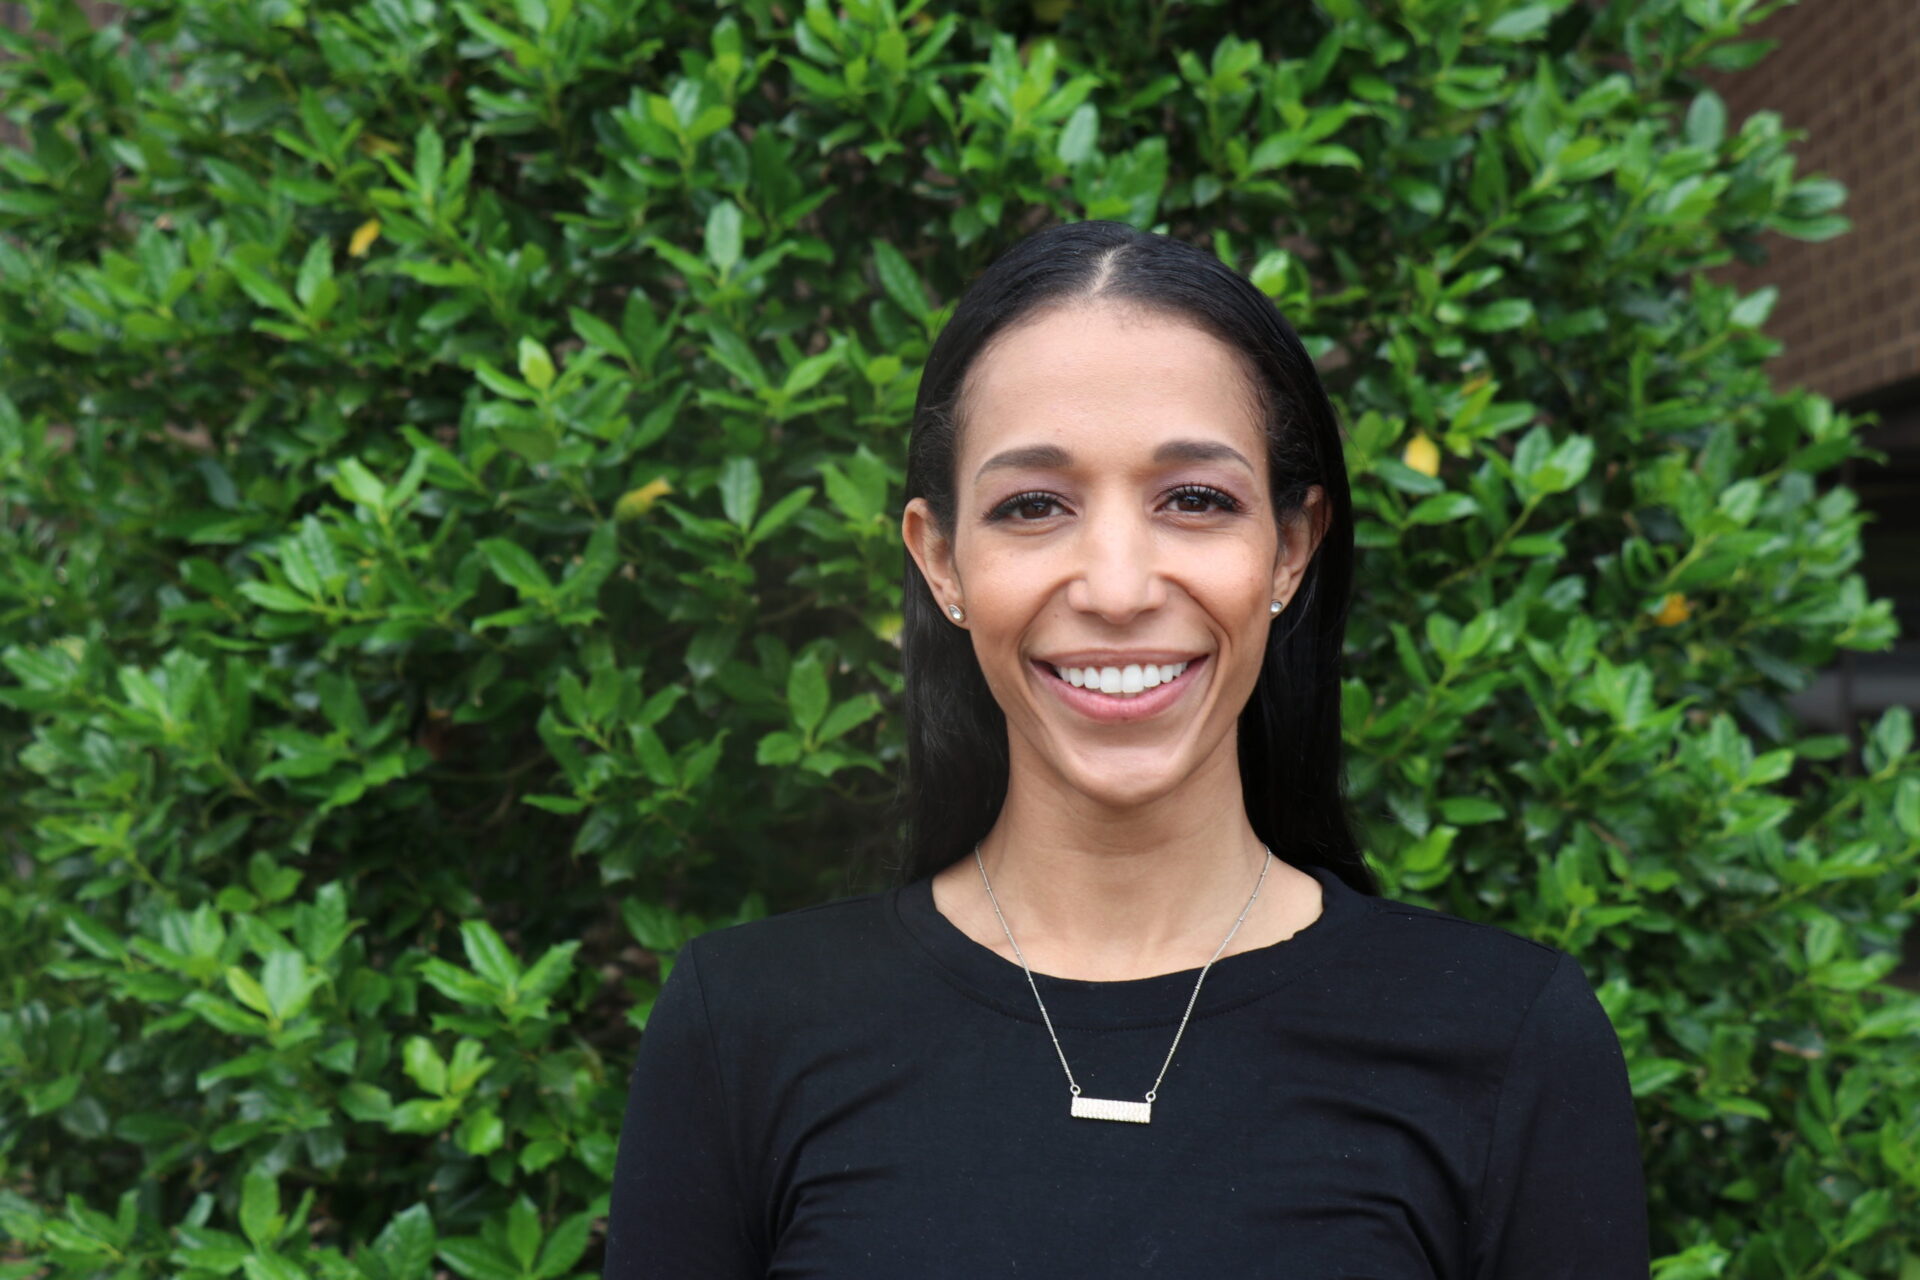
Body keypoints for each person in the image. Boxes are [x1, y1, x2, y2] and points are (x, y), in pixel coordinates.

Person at [602, 220, 1649, 1278]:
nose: (1116, 586)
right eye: (1034, 505)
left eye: (1194, 499)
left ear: (1290, 547)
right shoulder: (741, 1026)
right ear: (941, 559)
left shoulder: (1508, 1039)